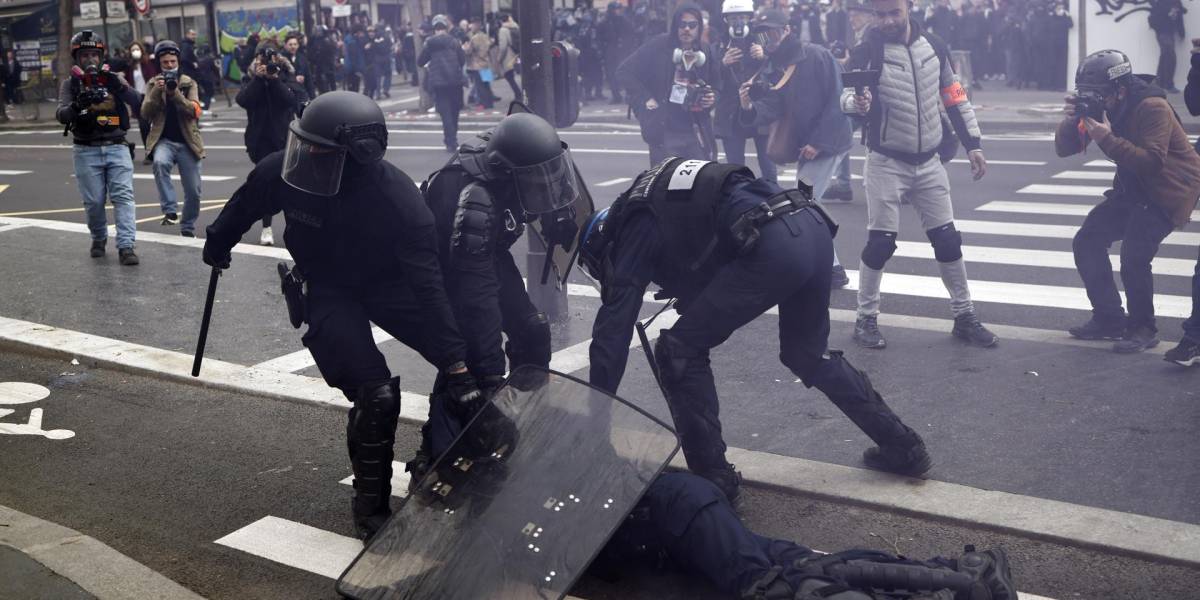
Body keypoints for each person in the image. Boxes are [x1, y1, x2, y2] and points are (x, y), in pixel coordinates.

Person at [202, 91, 483, 542]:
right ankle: (370, 509)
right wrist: (218, 244)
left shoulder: (401, 204)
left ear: (358, 158)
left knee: (472, 361)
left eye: (319, 151)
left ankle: (433, 454)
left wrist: (456, 366)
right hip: (328, 285)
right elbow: (245, 204)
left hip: (388, 285)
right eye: (305, 145)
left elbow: (429, 291)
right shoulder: (284, 170)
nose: (306, 156)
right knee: (376, 394)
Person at [582, 159, 933, 502]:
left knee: (678, 350)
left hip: (773, 243)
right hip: (810, 226)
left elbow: (613, 335)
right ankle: (904, 446)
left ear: (604, 243)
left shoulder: (633, 226)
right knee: (806, 354)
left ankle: (714, 479)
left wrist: (593, 428)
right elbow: (714, 234)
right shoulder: (658, 191)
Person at [407, 112, 582, 477]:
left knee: (532, 330)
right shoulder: (475, 200)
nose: (541, 185)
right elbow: (478, 296)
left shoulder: (512, 159)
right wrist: (488, 379)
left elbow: (544, 180)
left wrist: (558, 217)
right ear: (505, 172)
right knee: (467, 362)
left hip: (488, 250)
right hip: (445, 265)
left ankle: (520, 416)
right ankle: (435, 454)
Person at [842, 0, 998, 350]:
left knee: (947, 240)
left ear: (908, 8)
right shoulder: (867, 50)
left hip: (929, 162)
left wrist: (974, 143)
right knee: (880, 243)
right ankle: (865, 319)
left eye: (893, 12)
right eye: (880, 14)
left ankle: (965, 316)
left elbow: (954, 95)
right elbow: (844, 98)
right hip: (885, 160)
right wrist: (857, 104)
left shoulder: (936, 47)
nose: (887, 21)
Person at [1056, 50, 1200, 353]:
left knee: (1134, 255)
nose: (1094, 100)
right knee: (1087, 240)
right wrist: (1073, 119)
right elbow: (1065, 149)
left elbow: (1152, 163)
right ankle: (1109, 319)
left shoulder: (1152, 107)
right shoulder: (1103, 105)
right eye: (1087, 95)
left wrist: (1107, 138)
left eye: (1098, 95)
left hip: (1169, 189)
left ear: (1120, 90)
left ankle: (1143, 328)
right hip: (1134, 188)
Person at [738, 9, 854, 288]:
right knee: (808, 203)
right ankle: (833, 268)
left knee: (805, 202)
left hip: (829, 141)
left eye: (773, 32)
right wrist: (748, 107)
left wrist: (818, 141)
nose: (768, 39)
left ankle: (833, 268)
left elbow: (838, 100)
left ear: (787, 30)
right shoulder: (775, 63)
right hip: (811, 144)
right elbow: (775, 106)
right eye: (763, 34)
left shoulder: (816, 55)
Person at [57, 31, 140, 265]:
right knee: (94, 201)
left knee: (123, 197)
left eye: (94, 54)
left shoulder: (113, 78)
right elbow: (61, 114)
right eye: (85, 55)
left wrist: (120, 87)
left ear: (101, 56)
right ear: (77, 58)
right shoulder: (70, 83)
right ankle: (98, 237)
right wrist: (76, 106)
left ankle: (126, 246)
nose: (90, 60)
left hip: (117, 146)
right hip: (86, 149)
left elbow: (139, 101)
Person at [618, 2, 718, 166]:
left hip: (695, 129)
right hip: (665, 130)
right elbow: (623, 72)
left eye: (692, 25)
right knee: (665, 183)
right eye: (682, 24)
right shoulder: (658, 45)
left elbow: (717, 84)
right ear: (675, 26)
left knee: (698, 181)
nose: (687, 29)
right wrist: (646, 98)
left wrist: (712, 98)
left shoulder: (706, 51)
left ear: (699, 28)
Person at [236, 41, 306, 247]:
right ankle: (266, 227)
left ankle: (295, 228)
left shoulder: (285, 76)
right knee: (266, 184)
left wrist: (274, 79)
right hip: (260, 142)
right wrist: (258, 79)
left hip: (285, 139)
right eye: (262, 58)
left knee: (290, 184)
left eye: (270, 58)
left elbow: (290, 100)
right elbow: (243, 100)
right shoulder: (251, 79)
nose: (266, 63)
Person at [142, 40, 206, 238]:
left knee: (194, 191)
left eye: (172, 61)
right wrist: (156, 91)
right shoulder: (153, 83)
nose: (170, 65)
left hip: (188, 142)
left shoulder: (188, 82)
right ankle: (170, 210)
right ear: (159, 64)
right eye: (165, 62)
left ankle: (187, 227)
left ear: (177, 60)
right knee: (160, 162)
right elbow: (145, 113)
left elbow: (194, 111)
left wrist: (174, 93)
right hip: (164, 140)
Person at [715, 0, 778, 184]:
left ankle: (773, 199)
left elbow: (779, 67)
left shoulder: (762, 37)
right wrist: (722, 63)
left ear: (750, 18)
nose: (739, 22)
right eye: (734, 18)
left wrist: (765, 55)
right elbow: (708, 75)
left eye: (743, 17)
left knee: (768, 166)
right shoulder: (719, 41)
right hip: (731, 112)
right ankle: (739, 201)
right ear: (726, 19)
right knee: (735, 168)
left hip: (759, 108)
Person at [825, 0, 875, 203]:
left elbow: (857, 64)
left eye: (857, 14)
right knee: (842, 129)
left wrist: (843, 64)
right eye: (851, 13)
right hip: (865, 94)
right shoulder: (863, 33)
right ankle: (843, 184)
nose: (852, 18)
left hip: (868, 96)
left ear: (870, 15)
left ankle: (844, 184)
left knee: (839, 127)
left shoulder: (870, 34)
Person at [419, 16, 467, 152]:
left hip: (439, 83)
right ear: (445, 28)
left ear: (434, 29)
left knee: (445, 113)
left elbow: (420, 61)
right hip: (455, 82)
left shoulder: (429, 43)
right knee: (455, 111)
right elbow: (462, 60)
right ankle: (452, 138)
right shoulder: (454, 41)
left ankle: (450, 141)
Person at [121, 41, 159, 163]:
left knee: (157, 125)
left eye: (137, 49)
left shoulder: (148, 62)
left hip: (150, 96)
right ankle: (149, 153)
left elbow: (154, 76)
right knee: (144, 127)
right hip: (137, 99)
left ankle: (161, 151)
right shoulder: (129, 66)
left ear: (142, 50)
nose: (135, 52)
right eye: (133, 50)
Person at [599, 2, 637, 104]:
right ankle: (616, 96)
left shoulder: (624, 21)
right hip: (610, 51)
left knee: (625, 73)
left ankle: (629, 95)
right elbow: (600, 37)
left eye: (619, 9)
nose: (618, 11)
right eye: (616, 9)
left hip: (622, 51)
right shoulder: (605, 22)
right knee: (611, 74)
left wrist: (627, 46)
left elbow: (631, 34)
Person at [1150, 0, 1186, 93]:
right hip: (1162, 32)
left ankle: (1158, 83)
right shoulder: (1162, 2)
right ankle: (1168, 85)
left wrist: (1181, 32)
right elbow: (1154, 17)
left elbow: (1180, 17)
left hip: (1169, 33)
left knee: (1165, 56)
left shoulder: (1177, 2)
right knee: (1170, 56)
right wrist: (1167, 15)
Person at [465, 18, 497, 109]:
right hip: (486, 64)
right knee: (486, 85)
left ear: (476, 26)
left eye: (473, 25)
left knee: (480, 87)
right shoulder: (485, 36)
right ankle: (490, 103)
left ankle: (483, 104)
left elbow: (469, 51)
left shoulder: (474, 38)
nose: (471, 27)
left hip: (477, 65)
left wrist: (465, 48)